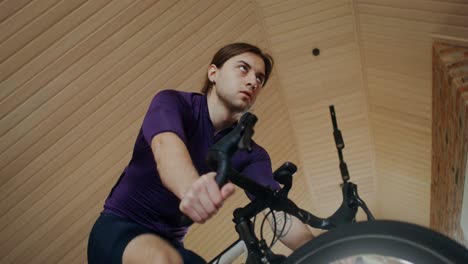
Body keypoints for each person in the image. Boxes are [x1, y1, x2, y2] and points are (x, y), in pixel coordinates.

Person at [87, 43, 314, 264]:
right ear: (213, 73)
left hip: (172, 244)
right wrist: (189, 187)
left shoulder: (253, 154)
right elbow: (166, 146)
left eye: (260, 78)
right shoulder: (173, 102)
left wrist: (323, 250)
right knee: (163, 259)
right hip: (121, 228)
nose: (253, 81)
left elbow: (273, 208)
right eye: (244, 68)